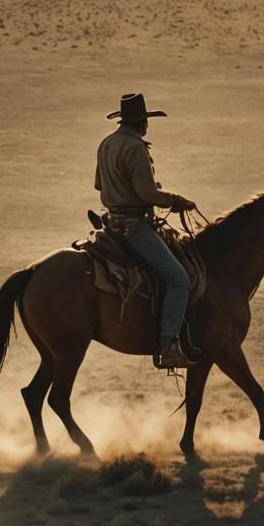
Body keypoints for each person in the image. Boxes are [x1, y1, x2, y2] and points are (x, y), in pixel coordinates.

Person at [95, 92, 199, 369]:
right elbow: (147, 193)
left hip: (111, 225)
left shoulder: (106, 144)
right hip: (135, 228)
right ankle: (168, 345)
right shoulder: (136, 148)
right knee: (179, 278)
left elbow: (99, 185)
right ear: (142, 122)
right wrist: (174, 200)